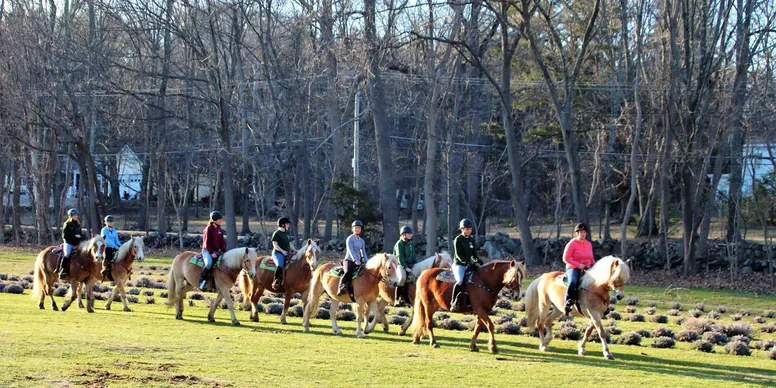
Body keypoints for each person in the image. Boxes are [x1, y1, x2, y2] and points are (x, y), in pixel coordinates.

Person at [563, 223, 595, 314]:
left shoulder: (588, 244)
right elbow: (565, 258)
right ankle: (568, 301)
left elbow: (591, 258)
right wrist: (578, 265)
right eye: (580, 232)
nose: (583, 233)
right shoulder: (571, 244)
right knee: (573, 282)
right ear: (576, 233)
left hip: (587, 268)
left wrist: (594, 266)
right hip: (573, 268)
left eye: (584, 232)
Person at [451, 218, 480, 312]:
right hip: (459, 264)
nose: (468, 231)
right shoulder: (458, 239)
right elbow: (458, 255)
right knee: (459, 281)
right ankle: (453, 302)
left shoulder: (471, 240)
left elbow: (474, 254)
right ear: (462, 229)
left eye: (470, 229)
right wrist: (466, 263)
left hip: (469, 264)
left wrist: (478, 260)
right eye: (466, 229)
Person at [199, 211, 227, 290]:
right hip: (207, 251)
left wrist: (226, 252)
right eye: (219, 219)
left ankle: (215, 282)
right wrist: (211, 253)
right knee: (208, 264)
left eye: (221, 219)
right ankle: (202, 280)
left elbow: (222, 244)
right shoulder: (208, 229)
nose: (221, 220)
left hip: (216, 251)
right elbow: (207, 243)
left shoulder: (219, 230)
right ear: (214, 220)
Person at [338, 220, 367, 295]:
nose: (357, 229)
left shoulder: (362, 241)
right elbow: (350, 250)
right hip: (349, 260)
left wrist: (367, 262)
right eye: (356, 228)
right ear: (352, 229)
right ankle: (342, 286)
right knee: (348, 271)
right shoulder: (350, 239)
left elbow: (363, 252)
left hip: (359, 261)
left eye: (359, 228)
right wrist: (355, 260)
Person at [392, 225, 417, 306]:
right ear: (403, 234)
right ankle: (396, 299)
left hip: (410, 265)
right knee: (403, 278)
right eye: (408, 233)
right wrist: (406, 267)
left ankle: (407, 299)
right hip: (400, 265)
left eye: (411, 234)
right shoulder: (399, 244)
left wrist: (418, 264)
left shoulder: (410, 244)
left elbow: (414, 256)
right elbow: (400, 257)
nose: (410, 235)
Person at [271, 217, 296, 289]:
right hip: (278, 253)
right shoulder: (276, 233)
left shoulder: (287, 233)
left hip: (287, 253)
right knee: (280, 265)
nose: (289, 225)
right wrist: (282, 251)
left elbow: (290, 244)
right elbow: (275, 245)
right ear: (282, 225)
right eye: (287, 224)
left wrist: (295, 250)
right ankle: (275, 281)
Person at [59, 209, 83, 279]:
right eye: (74, 215)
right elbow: (65, 236)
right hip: (69, 243)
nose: (76, 217)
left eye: (76, 215)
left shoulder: (78, 224)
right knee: (67, 254)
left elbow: (80, 234)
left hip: (77, 243)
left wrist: (80, 239)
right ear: (70, 216)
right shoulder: (67, 224)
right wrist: (74, 237)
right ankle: (63, 269)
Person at [101, 215, 121, 280]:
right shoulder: (104, 230)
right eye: (109, 221)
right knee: (108, 257)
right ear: (105, 222)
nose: (110, 222)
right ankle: (105, 268)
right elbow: (107, 240)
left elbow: (116, 240)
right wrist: (115, 246)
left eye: (111, 221)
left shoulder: (114, 231)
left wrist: (119, 246)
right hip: (107, 247)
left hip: (115, 247)